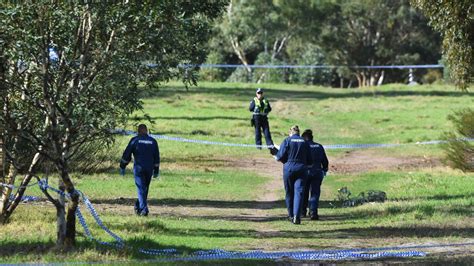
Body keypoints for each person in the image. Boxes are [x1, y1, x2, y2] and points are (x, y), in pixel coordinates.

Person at [119, 124, 160, 216]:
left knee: (141, 188)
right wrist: (156, 170)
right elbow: (157, 157)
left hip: (139, 168)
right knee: (144, 189)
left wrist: (122, 166)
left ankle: (144, 210)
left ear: (138, 131)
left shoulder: (135, 140)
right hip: (149, 168)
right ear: (147, 131)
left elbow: (127, 154)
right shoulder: (153, 141)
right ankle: (138, 206)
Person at [275, 125, 312, 224]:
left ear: (290, 132)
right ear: (298, 133)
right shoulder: (304, 142)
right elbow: (310, 160)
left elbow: (279, 156)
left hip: (289, 169)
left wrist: (286, 162)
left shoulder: (287, 140)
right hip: (302, 169)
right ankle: (297, 216)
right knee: (299, 193)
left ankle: (291, 215)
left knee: (289, 193)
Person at [301, 129, 329, 220]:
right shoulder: (319, 146)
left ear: (304, 138)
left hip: (305, 172)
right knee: (315, 193)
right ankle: (313, 212)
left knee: (304, 192)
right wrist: (324, 169)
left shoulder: (303, 146)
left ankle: (302, 212)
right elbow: (325, 161)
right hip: (317, 172)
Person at [249, 88, 277, 154]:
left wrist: (266, 109)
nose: (260, 94)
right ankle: (259, 146)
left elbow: (270, 109)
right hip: (256, 118)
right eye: (258, 93)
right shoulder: (254, 100)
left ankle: (270, 145)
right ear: (256, 94)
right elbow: (250, 108)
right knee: (257, 132)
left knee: (267, 132)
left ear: (263, 93)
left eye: (261, 93)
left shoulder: (266, 101)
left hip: (264, 118)